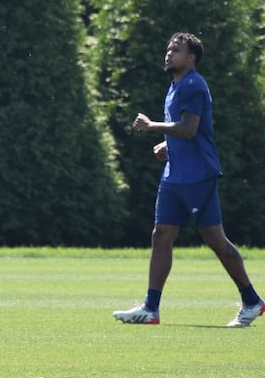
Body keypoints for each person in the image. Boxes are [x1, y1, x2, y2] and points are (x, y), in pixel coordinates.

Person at [113, 32, 264, 327]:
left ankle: (251, 301)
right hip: (175, 175)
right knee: (161, 236)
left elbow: (190, 129)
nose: (169, 53)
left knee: (215, 240)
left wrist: (151, 126)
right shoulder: (175, 86)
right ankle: (151, 308)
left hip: (197, 176)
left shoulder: (194, 84)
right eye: (169, 48)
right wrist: (168, 148)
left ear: (191, 58)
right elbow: (184, 132)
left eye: (177, 50)